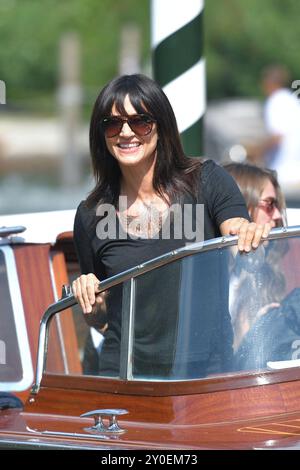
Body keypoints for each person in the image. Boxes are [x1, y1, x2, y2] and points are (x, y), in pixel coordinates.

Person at [72, 74, 271, 377]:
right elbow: (100, 317)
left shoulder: (206, 180)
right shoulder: (90, 214)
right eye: (112, 124)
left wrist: (247, 231)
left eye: (140, 121)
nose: (126, 133)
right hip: (125, 379)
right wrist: (90, 301)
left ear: (161, 126)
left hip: (204, 376)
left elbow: (236, 228)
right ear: (101, 135)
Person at [223, 162, 291, 368]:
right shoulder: (204, 276)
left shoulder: (265, 273)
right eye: (269, 204)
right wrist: (248, 335)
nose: (278, 216)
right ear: (242, 204)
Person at [250, 65, 300, 190]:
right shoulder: (292, 99)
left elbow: (277, 136)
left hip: (283, 173)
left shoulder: (275, 101)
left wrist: (255, 153)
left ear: (268, 82)